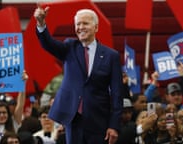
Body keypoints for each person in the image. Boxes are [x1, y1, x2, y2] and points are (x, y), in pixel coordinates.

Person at [34, 5, 123, 144]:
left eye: (85, 23)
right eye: (78, 24)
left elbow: (117, 94)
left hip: (98, 120)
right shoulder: (70, 47)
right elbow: (48, 44)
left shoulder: (111, 56)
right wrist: (41, 24)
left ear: (96, 27)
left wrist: (114, 125)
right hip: (73, 118)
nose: (81, 27)